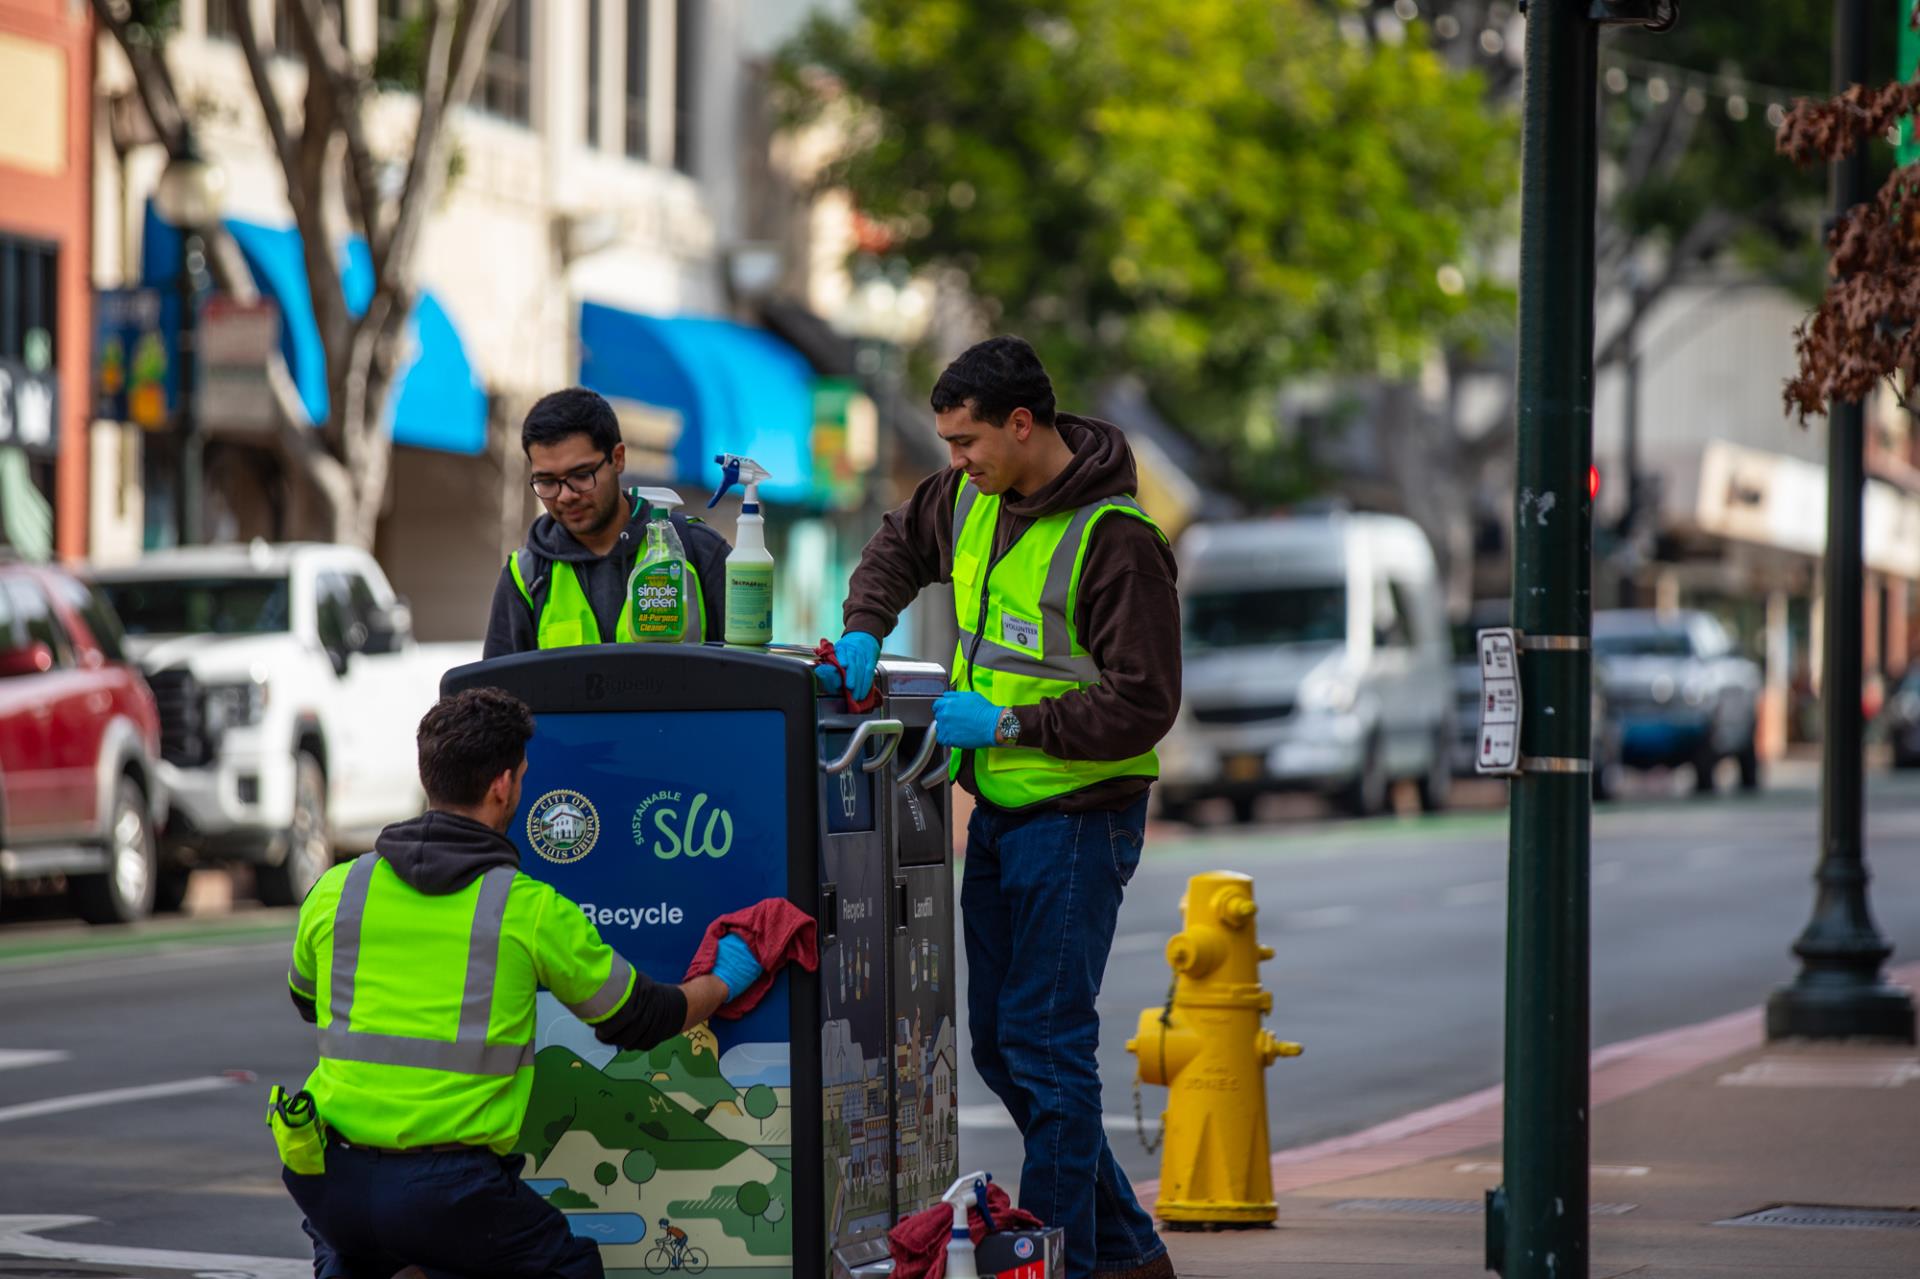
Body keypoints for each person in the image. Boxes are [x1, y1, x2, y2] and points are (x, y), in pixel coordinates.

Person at [824, 336, 1181, 1279]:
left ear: (1024, 424)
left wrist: (1010, 724)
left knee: (1046, 1046)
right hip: (1002, 816)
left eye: (967, 440)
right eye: (947, 442)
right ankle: (1131, 1254)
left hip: (1080, 819)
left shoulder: (1117, 542)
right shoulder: (969, 502)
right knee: (999, 1044)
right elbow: (898, 544)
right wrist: (865, 624)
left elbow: (1146, 700)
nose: (956, 460)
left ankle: (1050, 1262)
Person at [282, 687, 778, 1278]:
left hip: (329, 1176)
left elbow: (309, 1002)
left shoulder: (337, 890)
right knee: (567, 1267)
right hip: (450, 1192)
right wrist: (725, 980)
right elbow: (641, 1017)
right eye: (521, 775)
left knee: (370, 1251)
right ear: (503, 786)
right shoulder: (526, 909)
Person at [484, 387, 729, 655]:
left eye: (580, 474)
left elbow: (748, 676)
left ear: (618, 458)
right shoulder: (525, 577)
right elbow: (495, 693)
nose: (565, 496)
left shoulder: (699, 550)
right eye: (546, 481)